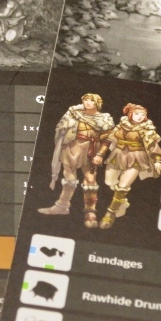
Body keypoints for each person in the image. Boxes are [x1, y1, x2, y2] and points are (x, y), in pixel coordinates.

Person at [39, 93, 115, 228]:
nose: (88, 103)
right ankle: (62, 206)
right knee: (69, 178)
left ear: (97, 103)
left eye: (91, 101)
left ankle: (90, 211)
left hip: (91, 150)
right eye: (85, 100)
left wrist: (100, 154)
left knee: (90, 179)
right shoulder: (73, 113)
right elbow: (60, 129)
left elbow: (107, 140)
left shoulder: (104, 119)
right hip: (71, 147)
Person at [94, 103, 161, 228]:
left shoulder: (147, 129)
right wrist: (100, 153)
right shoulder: (122, 125)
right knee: (109, 182)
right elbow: (109, 139)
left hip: (137, 157)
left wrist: (158, 160)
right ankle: (122, 202)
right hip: (117, 155)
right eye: (137, 114)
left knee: (123, 186)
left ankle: (111, 213)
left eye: (142, 115)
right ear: (130, 114)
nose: (140, 117)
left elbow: (153, 145)